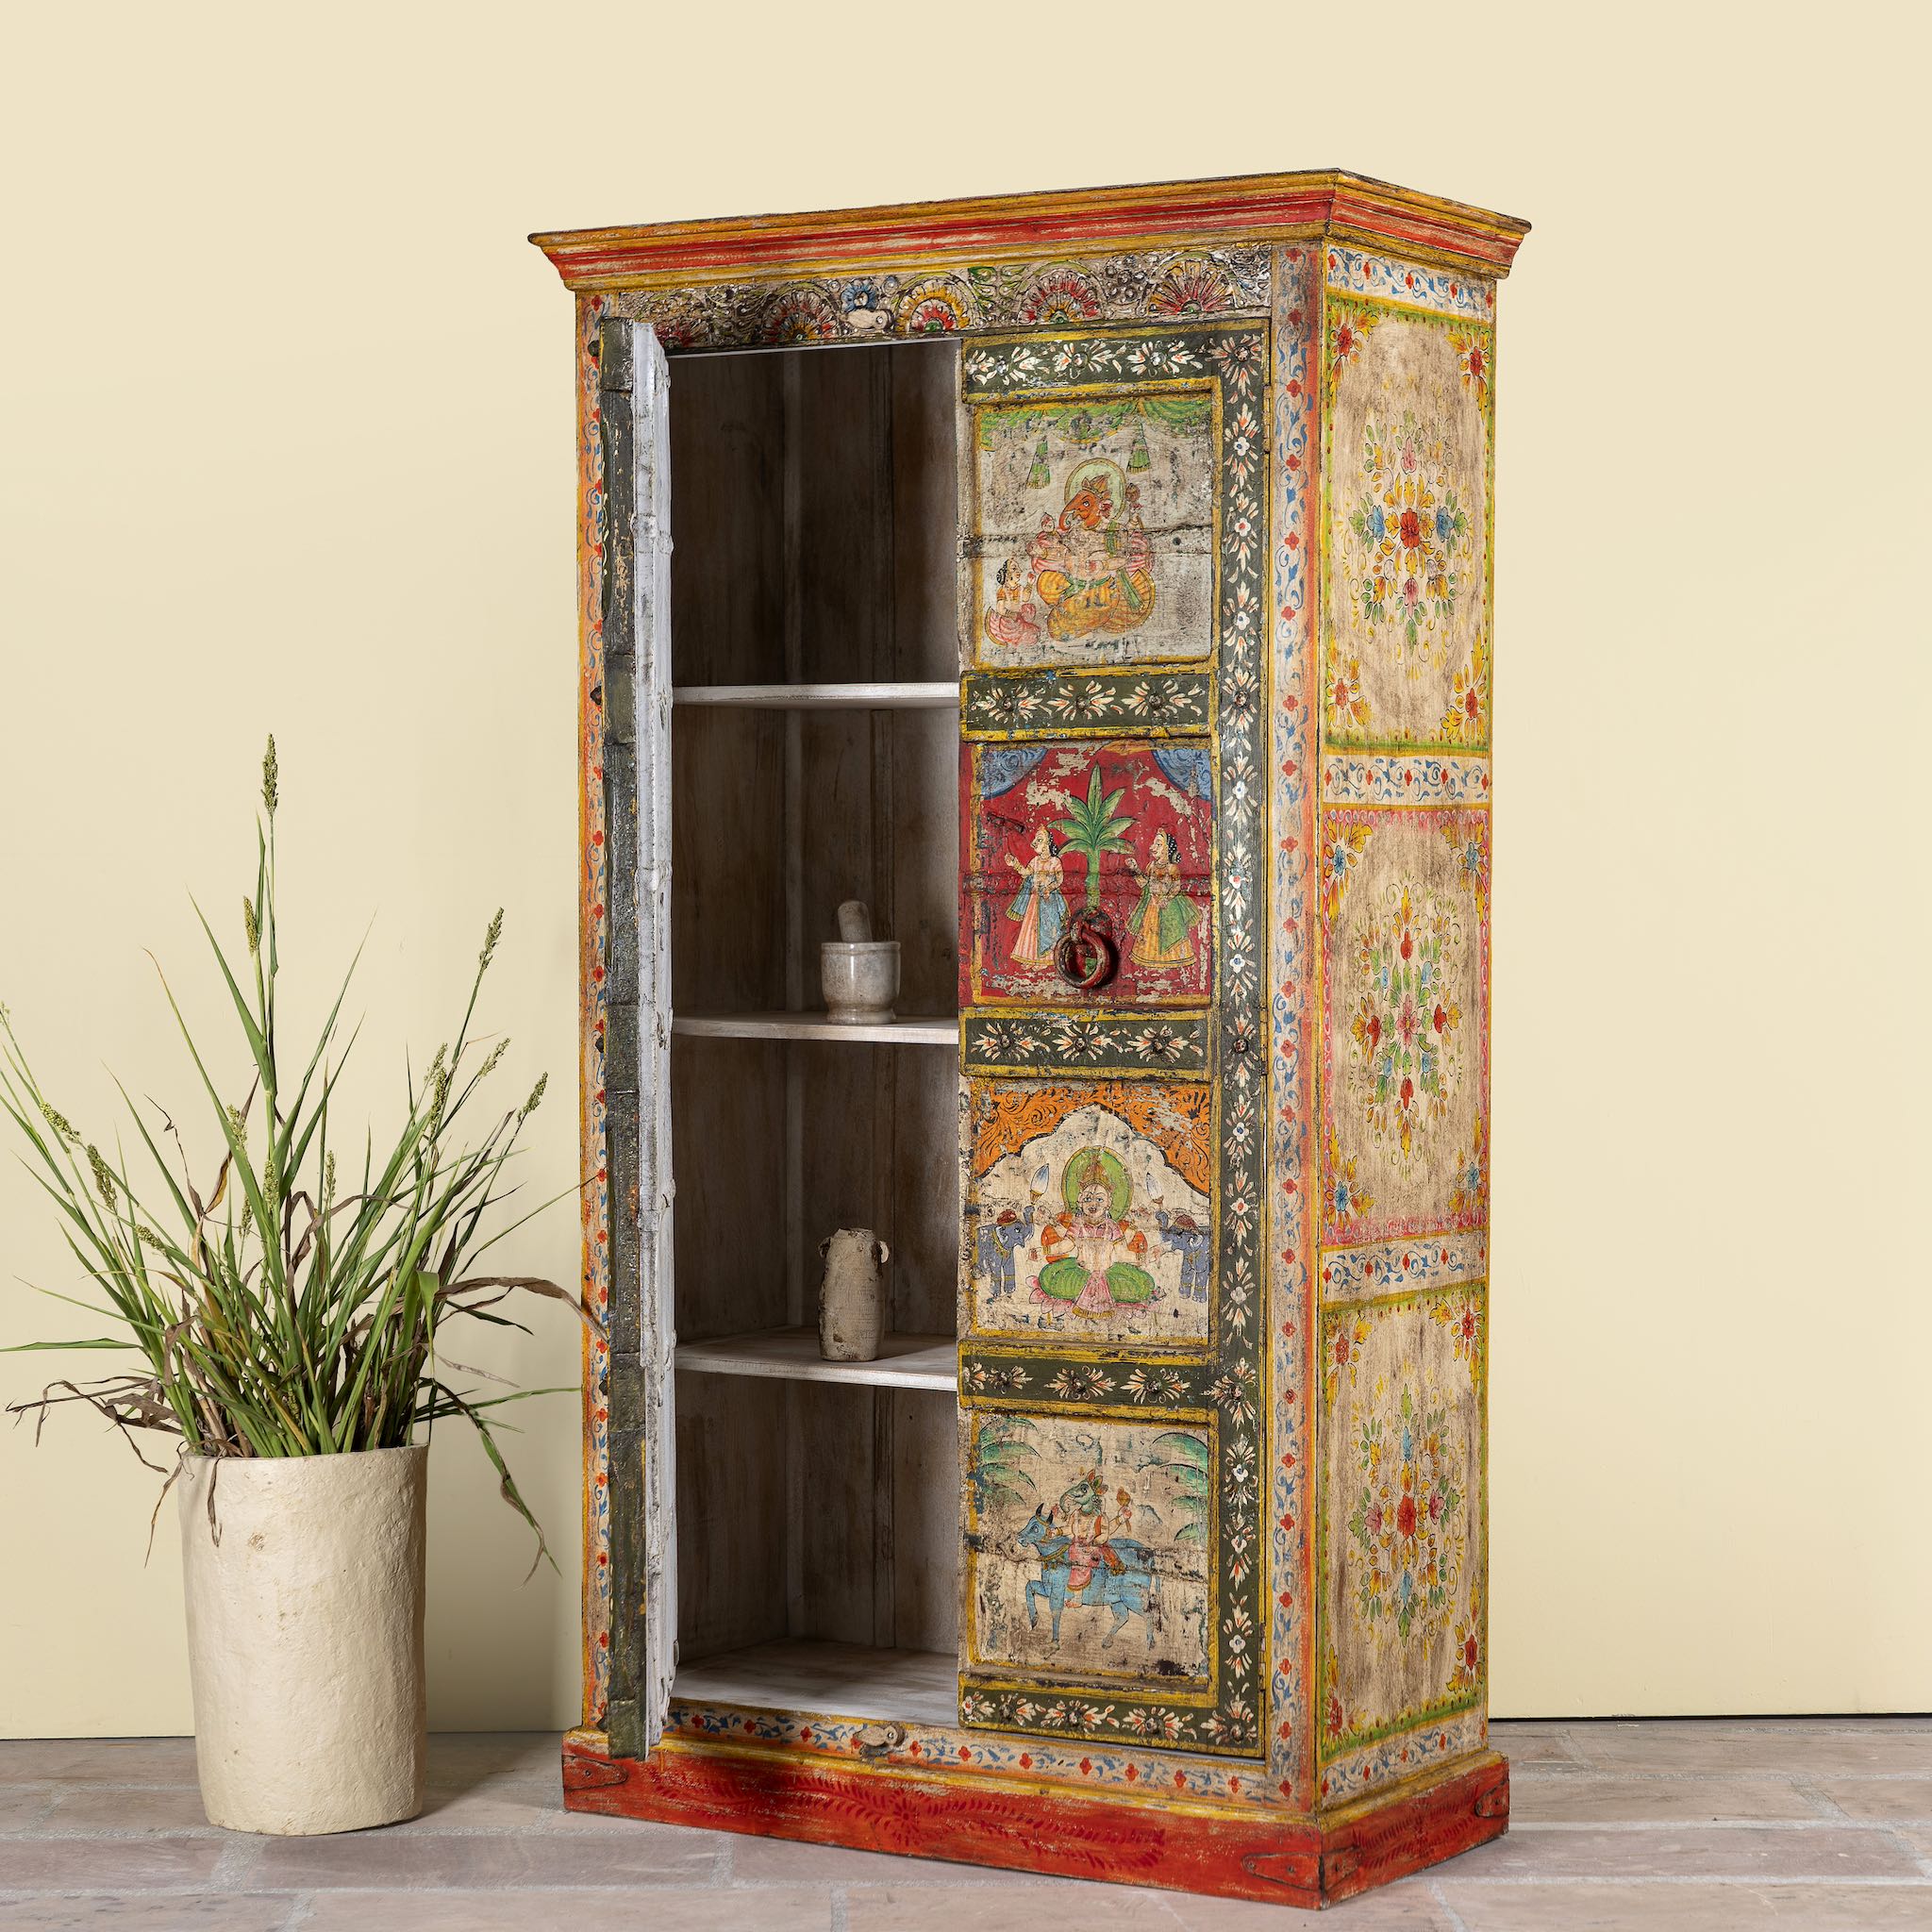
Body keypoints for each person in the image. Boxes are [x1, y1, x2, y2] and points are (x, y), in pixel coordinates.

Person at [1034, 1149, 1155, 1315]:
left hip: (1108, 1274)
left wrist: (1145, 1257)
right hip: (1081, 1273)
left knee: (1144, 1284)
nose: (1093, 1204)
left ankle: (1099, 1292)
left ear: (1108, 1202)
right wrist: (1043, 1251)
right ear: (1080, 1201)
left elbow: (1122, 1254)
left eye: (1099, 1199)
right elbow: (1065, 1246)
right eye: (1088, 1199)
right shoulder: (1078, 1224)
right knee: (1048, 1277)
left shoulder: (1112, 1227)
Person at [1128, 827, 1203, 968]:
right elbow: (1144, 883)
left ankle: (1172, 961)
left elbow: (1176, 887)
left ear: (1167, 848)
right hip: (1152, 905)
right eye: (1154, 844)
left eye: (1158, 844)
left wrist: (1166, 899)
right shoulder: (1151, 865)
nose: (1153, 847)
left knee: (1171, 933)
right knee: (1150, 934)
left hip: (1168, 907)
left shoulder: (1172, 868)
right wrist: (1135, 869)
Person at [1005, 825, 1067, 968]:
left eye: (1039, 840)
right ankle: (1030, 958)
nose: (1034, 843)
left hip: (1049, 900)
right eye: (1036, 840)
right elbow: (1026, 873)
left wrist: (1048, 888)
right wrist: (1014, 863)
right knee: (1031, 928)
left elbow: (1059, 880)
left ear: (1047, 843)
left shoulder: (1055, 862)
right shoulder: (1035, 861)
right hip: (1034, 899)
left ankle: (1045, 960)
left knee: (1048, 929)